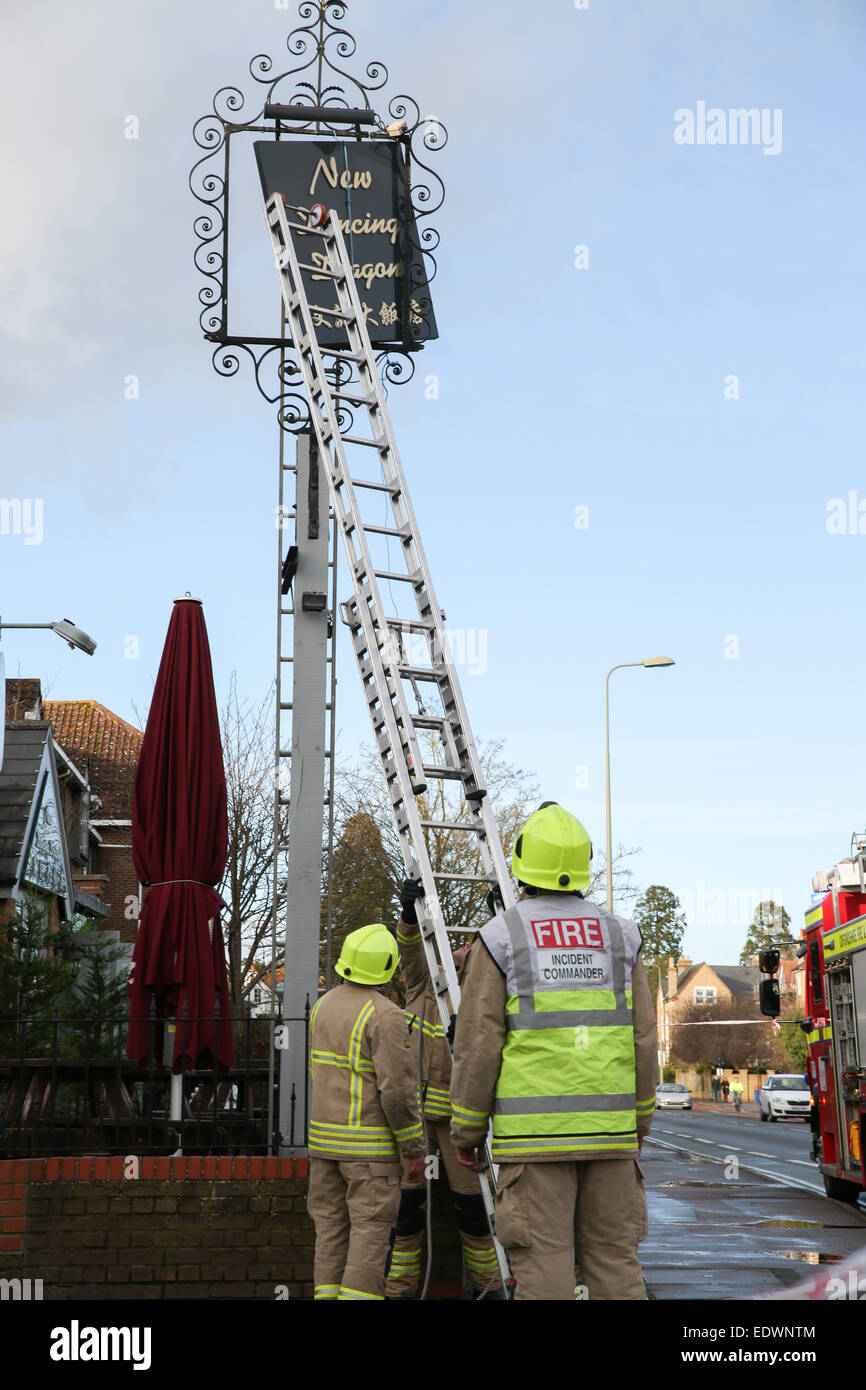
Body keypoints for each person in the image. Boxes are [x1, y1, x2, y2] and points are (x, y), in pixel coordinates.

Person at [449, 802, 657, 1301]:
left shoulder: (501, 938)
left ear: (523, 865)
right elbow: (644, 1040)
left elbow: (479, 1045)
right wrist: (639, 1122)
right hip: (611, 1138)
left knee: (545, 1276)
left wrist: (467, 1130)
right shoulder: (620, 938)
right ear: (585, 863)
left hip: (534, 1145)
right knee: (616, 1268)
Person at [384, 879, 503, 1300]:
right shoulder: (421, 985)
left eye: (463, 952)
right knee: (408, 1211)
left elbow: (501, 956)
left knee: (473, 1211)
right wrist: (409, 917)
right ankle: (399, 1291)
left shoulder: (477, 994)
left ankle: (488, 1289)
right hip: (415, 1127)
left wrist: (501, 917)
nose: (454, 957)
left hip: (458, 1127)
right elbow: (411, 952)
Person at [307, 923, 426, 1300]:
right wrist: (414, 1147)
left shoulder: (323, 1005)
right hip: (369, 1153)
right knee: (370, 1234)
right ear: (387, 966)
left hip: (323, 1145)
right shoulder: (385, 1015)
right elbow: (398, 1092)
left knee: (329, 1231)